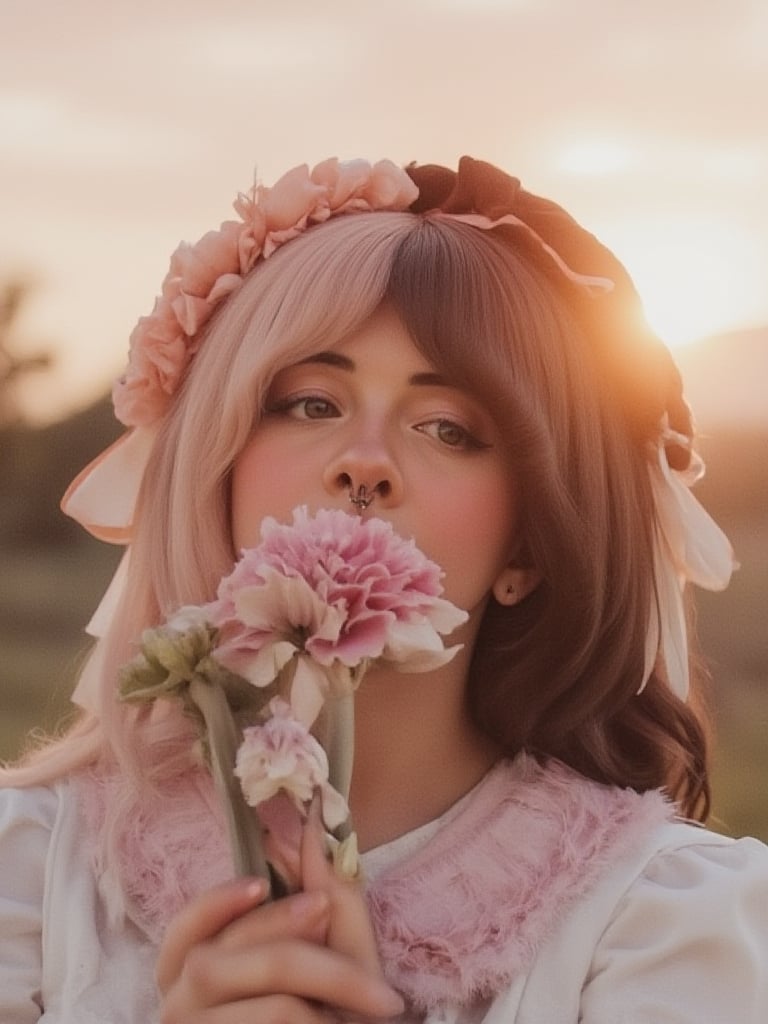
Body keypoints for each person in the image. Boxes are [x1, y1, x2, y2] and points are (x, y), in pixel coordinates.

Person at [1, 155, 766, 1023]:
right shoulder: (29, 868)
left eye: (449, 428)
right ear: (216, 465)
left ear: (529, 547)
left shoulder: (663, 922)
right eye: (309, 403)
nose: (363, 462)